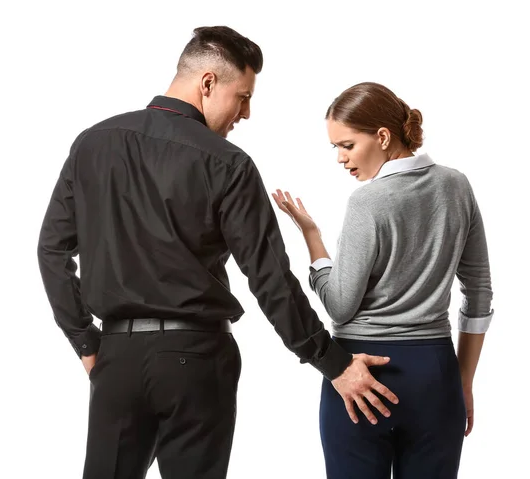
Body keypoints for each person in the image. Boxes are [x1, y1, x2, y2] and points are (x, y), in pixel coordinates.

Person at [37, 28, 398, 479]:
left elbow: (52, 251)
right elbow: (269, 279)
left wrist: (88, 343)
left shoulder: (92, 143)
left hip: (117, 359)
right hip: (197, 360)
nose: (246, 113)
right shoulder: (228, 163)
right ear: (207, 83)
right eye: (242, 96)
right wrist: (333, 362)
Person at [273, 82, 493, 479]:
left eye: (347, 145)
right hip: (436, 373)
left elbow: (340, 304)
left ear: (383, 136)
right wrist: (463, 381)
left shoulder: (367, 202)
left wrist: (313, 240)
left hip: (362, 373)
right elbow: (479, 292)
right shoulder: (457, 184)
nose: (340, 158)